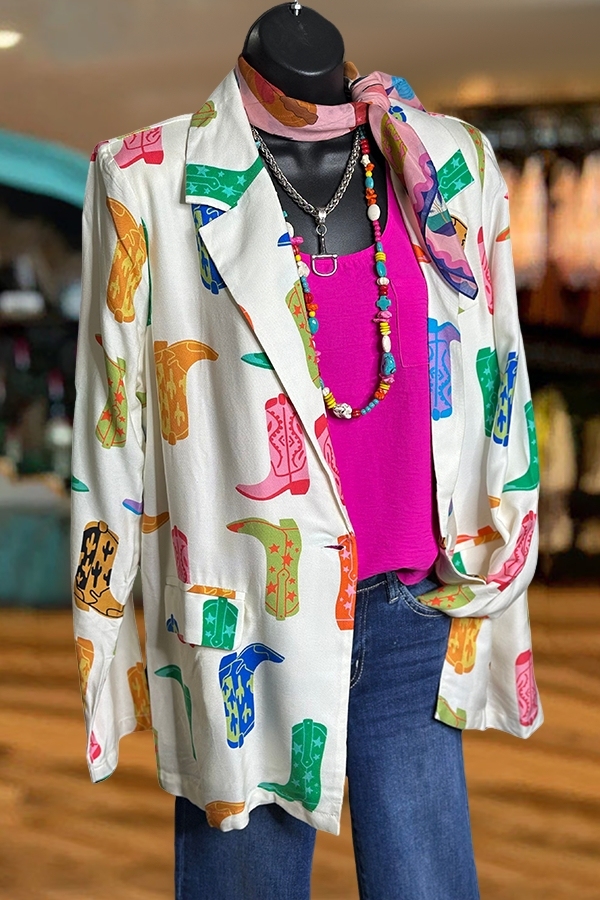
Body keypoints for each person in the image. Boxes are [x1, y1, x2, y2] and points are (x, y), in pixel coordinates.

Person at [71, 4, 543, 899]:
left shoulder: (448, 162)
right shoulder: (145, 176)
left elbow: (501, 373)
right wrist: (102, 652)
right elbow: (111, 427)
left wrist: (509, 542)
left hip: (413, 607)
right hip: (246, 615)